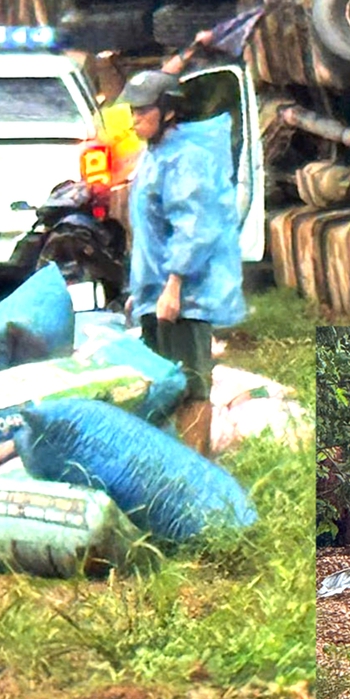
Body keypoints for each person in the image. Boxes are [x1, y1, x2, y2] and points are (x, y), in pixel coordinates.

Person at [118, 68, 246, 457]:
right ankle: (173, 462)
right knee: (164, 381)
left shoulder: (186, 160)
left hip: (183, 298)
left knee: (190, 384)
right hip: (156, 294)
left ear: (168, 111)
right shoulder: (155, 156)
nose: (134, 119)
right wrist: (141, 293)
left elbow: (193, 227)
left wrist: (173, 287)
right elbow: (151, 234)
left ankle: (196, 467)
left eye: (143, 111)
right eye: (133, 111)